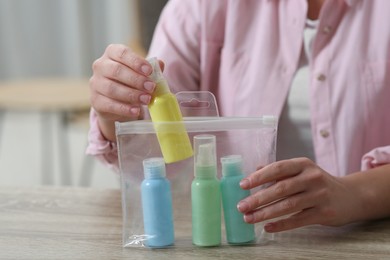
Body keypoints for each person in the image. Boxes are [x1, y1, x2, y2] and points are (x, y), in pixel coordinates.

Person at [87, 0, 390, 233]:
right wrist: (115, 112)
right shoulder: (201, 7)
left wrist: (355, 193)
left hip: (370, 235)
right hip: (233, 237)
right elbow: (152, 152)